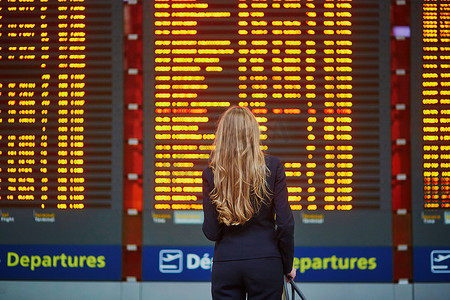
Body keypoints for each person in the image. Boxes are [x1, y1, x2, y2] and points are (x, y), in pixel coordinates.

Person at [202, 106, 296, 300]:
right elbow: (285, 224)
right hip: (266, 263)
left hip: (226, 264)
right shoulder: (273, 167)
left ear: (222, 135)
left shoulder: (211, 173)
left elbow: (211, 232)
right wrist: (287, 266)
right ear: (254, 133)